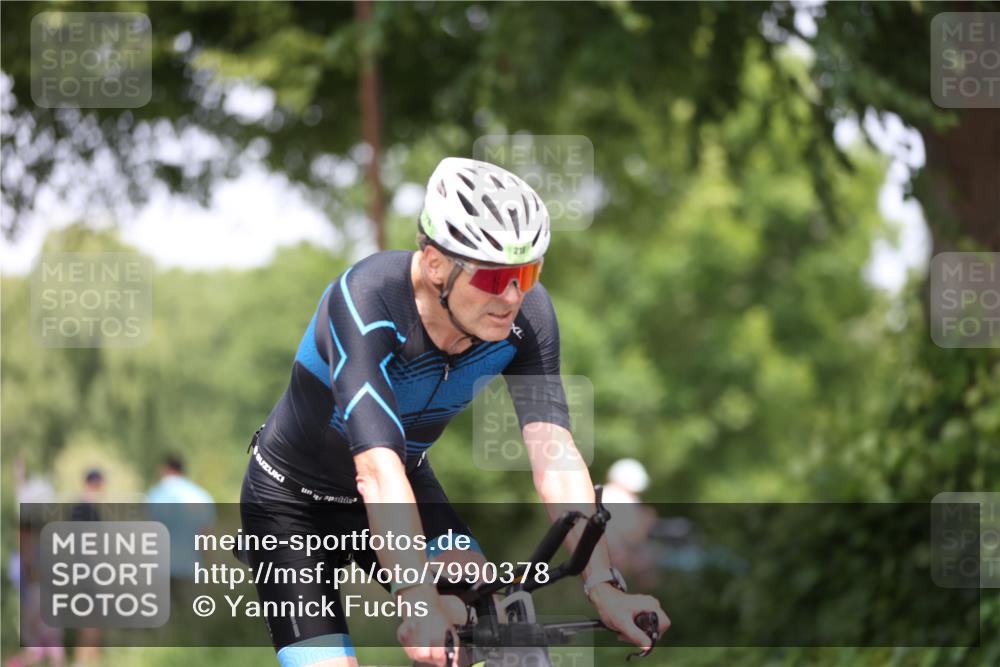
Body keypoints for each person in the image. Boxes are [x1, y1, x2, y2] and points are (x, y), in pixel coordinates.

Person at [239, 157, 669, 667]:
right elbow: (376, 468)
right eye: (494, 278)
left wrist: (604, 585)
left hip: (407, 479)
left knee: (482, 615)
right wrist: (417, 598)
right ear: (436, 263)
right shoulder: (367, 298)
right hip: (291, 505)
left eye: (526, 273)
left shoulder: (526, 316)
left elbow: (555, 454)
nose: (512, 296)